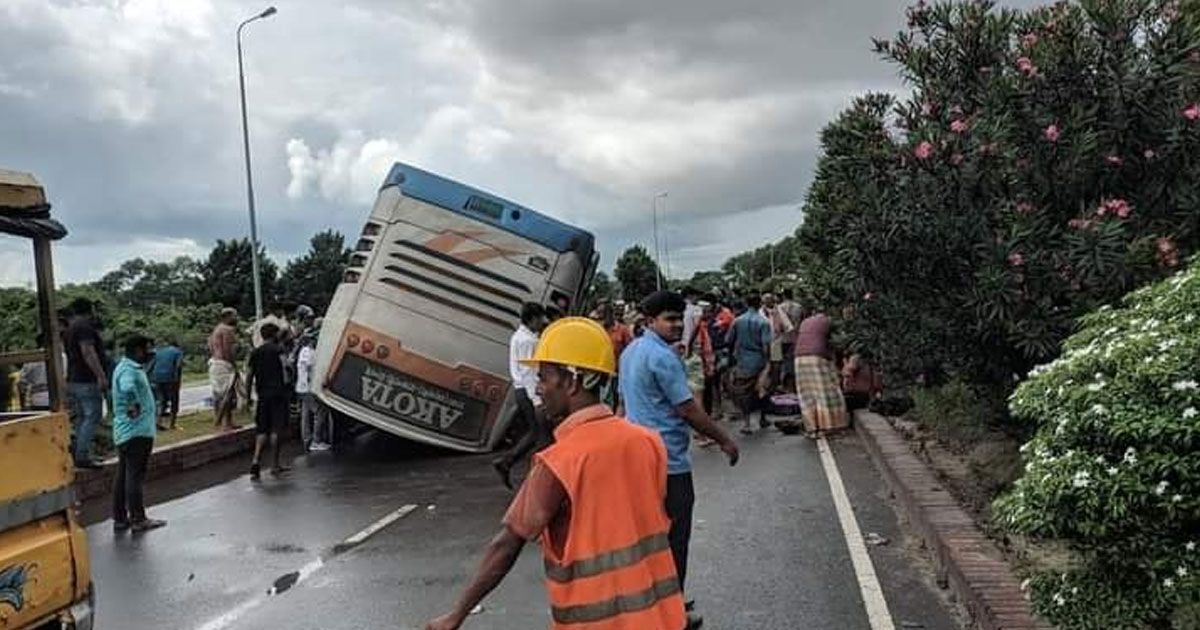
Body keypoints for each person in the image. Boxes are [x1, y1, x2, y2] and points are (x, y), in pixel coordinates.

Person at [424, 318, 686, 630]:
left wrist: (456, 616)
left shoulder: (560, 461)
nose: (538, 388)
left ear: (573, 381)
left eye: (544, 377)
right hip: (663, 617)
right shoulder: (649, 442)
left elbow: (507, 543)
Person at [619, 290, 740, 629]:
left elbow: (622, 406)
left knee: (650, 538)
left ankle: (661, 599)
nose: (676, 325)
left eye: (678, 318)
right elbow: (687, 408)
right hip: (668, 462)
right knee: (676, 538)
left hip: (638, 460)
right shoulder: (663, 357)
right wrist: (724, 439)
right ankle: (673, 613)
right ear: (649, 321)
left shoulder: (630, 353)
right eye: (669, 319)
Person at [111, 334, 167, 533]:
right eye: (147, 349)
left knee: (123, 475)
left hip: (125, 431)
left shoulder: (123, 367)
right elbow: (127, 388)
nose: (150, 353)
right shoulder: (129, 370)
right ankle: (138, 518)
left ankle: (120, 517)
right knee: (135, 476)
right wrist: (134, 404)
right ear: (138, 350)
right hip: (137, 431)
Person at [492, 303, 549, 489]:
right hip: (528, 390)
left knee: (535, 433)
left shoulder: (519, 336)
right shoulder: (528, 341)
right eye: (541, 318)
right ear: (533, 319)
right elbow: (529, 371)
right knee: (541, 435)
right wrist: (537, 400)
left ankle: (508, 463)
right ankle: (538, 477)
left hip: (521, 390)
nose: (543, 321)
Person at [64, 298, 109, 469]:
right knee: (93, 416)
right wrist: (101, 375)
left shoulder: (69, 329)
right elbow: (88, 352)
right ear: (90, 310)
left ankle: (81, 452)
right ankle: (82, 455)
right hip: (86, 380)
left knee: (81, 418)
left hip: (73, 379)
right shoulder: (84, 327)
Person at [246, 323, 291, 480]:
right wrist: (288, 388)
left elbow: (249, 375)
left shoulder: (255, 352)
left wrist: (247, 396)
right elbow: (286, 370)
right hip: (278, 393)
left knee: (262, 429)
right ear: (273, 335)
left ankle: (256, 459)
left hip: (262, 394)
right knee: (277, 429)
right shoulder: (279, 351)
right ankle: (274, 464)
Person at [794, 311, 850, 436]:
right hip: (817, 356)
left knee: (807, 394)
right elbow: (839, 344)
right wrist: (840, 367)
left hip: (799, 358)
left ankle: (812, 427)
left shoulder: (806, 322)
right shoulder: (830, 322)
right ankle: (830, 426)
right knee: (827, 392)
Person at [726, 296, 773, 435]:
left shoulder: (737, 321)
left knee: (744, 392)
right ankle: (763, 418)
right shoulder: (763, 322)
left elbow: (729, 340)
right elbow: (766, 345)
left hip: (742, 360)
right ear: (760, 304)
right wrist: (768, 362)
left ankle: (747, 424)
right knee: (763, 389)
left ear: (746, 304)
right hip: (759, 359)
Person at [295, 329, 331, 452]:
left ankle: (306, 439)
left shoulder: (304, 351)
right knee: (320, 411)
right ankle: (316, 441)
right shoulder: (308, 352)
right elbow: (310, 370)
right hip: (307, 387)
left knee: (305, 414)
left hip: (302, 387)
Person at [208, 308, 241, 431]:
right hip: (224, 364)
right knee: (228, 394)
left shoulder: (216, 329)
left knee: (220, 394)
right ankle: (221, 422)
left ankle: (226, 421)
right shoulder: (227, 330)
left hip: (215, 362)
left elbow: (210, 346)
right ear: (227, 316)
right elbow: (228, 350)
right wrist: (234, 365)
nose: (236, 318)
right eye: (234, 316)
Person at [760, 293, 794, 395]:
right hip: (761, 343)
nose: (768, 302)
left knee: (775, 368)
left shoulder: (779, 311)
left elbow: (789, 327)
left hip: (775, 342)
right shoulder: (760, 312)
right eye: (766, 300)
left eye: (770, 300)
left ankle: (773, 388)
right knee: (764, 367)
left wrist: (781, 334)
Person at [150, 337, 184, 430]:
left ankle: (158, 422)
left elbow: (153, 364)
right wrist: (177, 381)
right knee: (174, 401)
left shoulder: (160, 351)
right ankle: (172, 425)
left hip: (157, 377)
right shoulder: (178, 352)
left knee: (161, 401)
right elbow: (178, 366)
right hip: (170, 378)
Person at [18, 333, 55, 411]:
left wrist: (23, 406)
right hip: (59, 399)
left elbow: (22, 384)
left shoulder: (32, 359)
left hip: (38, 400)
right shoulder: (62, 356)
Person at [778, 289, 804, 393]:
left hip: (782, 338)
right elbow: (802, 321)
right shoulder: (799, 307)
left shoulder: (779, 308)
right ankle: (793, 385)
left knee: (783, 362)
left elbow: (778, 325)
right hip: (795, 338)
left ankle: (785, 385)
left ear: (784, 296)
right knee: (793, 361)